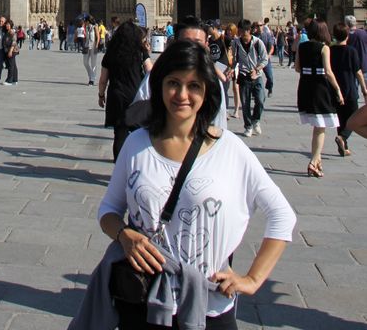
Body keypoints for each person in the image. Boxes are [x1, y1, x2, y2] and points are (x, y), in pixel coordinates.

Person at [70, 41, 295, 330]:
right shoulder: (136, 144)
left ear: (207, 91)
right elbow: (108, 210)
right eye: (173, 83)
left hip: (209, 306)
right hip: (142, 301)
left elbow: (282, 215)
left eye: (194, 86)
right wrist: (124, 236)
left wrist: (253, 279)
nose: (182, 95)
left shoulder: (230, 149)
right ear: (159, 86)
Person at [97, 20, 152, 160]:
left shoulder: (111, 53)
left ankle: (119, 164)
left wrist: (101, 95)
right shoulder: (140, 51)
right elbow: (150, 70)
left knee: (120, 133)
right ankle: (138, 162)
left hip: (117, 96)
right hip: (136, 95)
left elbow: (103, 79)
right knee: (140, 131)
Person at [296, 20, 343, 177]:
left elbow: (297, 68)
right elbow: (328, 72)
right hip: (320, 89)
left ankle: (318, 162)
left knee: (317, 126)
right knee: (320, 127)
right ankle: (313, 161)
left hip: (305, 87)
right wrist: (337, 89)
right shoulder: (324, 48)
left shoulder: (302, 46)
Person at [330, 22, 367, 156]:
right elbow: (358, 72)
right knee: (353, 116)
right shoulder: (351, 51)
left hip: (335, 89)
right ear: (347, 36)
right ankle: (343, 137)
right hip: (349, 88)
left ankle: (344, 146)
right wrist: (364, 89)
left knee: (340, 118)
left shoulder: (330, 50)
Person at [232, 20, 268, 138]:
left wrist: (256, 69)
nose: (239, 32)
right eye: (239, 30)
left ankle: (256, 120)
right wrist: (231, 69)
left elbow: (265, 59)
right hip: (243, 75)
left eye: (241, 30)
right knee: (245, 103)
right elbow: (235, 59)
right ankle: (248, 126)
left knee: (260, 100)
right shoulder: (236, 43)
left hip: (256, 76)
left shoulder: (258, 43)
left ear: (248, 30)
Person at [345, 15, 367, 79]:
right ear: (355, 22)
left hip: (352, 67)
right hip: (364, 65)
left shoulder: (346, 35)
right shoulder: (364, 33)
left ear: (346, 24)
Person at [82, 18, 101, 86]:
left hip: (93, 46)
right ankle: (90, 74)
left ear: (88, 21)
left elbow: (98, 37)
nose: (84, 22)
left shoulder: (95, 26)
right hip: (87, 45)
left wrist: (96, 45)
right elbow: (85, 37)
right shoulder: (86, 27)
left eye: (85, 21)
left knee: (93, 63)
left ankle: (92, 79)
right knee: (85, 62)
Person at [3, 19, 19, 86]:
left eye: (8, 24)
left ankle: (9, 80)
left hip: (12, 50)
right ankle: (15, 80)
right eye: (6, 24)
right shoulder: (7, 31)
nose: (7, 25)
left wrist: (10, 51)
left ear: (11, 25)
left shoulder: (12, 32)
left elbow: (14, 42)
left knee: (10, 65)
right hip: (10, 50)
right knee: (13, 65)